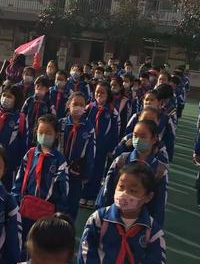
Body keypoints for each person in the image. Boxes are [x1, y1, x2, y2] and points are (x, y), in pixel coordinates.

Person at [96, 120, 169, 226]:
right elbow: (107, 190)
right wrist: (100, 213)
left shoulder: (160, 170)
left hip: (141, 223)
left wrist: (154, 226)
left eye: (143, 136)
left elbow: (159, 203)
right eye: (135, 135)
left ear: (154, 139)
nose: (138, 140)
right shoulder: (121, 160)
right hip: (114, 217)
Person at [12, 114, 69, 244]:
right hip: (25, 210)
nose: (44, 135)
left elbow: (63, 191)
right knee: (22, 242)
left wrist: (58, 216)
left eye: (48, 132)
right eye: (41, 132)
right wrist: (15, 203)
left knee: (40, 244)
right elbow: (19, 181)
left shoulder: (59, 161)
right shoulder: (30, 154)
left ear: (56, 135)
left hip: (46, 214)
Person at [81, 82, 119, 209]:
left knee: (98, 171)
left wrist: (111, 148)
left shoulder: (112, 111)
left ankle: (92, 196)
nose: (99, 95)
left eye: (102, 93)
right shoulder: (89, 108)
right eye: (97, 92)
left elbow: (115, 131)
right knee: (87, 169)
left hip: (102, 147)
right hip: (89, 145)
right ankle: (83, 194)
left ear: (108, 95)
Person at [58, 91, 96, 220]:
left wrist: (87, 173)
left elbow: (91, 152)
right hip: (59, 170)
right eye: (75, 104)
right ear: (69, 104)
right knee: (58, 200)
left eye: (81, 104)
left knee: (73, 203)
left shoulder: (88, 127)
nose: (78, 107)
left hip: (76, 173)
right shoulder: (60, 124)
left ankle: (69, 228)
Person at [0, 84, 27, 189]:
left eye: (9, 97)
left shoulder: (20, 119)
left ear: (16, 100)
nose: (5, 99)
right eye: (4, 95)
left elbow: (23, 143)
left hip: (9, 165)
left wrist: (19, 163)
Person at [21, 76, 52, 147]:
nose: (39, 88)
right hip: (27, 133)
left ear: (47, 89)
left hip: (41, 134)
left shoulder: (49, 103)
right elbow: (22, 114)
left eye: (42, 86)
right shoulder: (29, 100)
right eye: (37, 86)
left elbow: (51, 118)